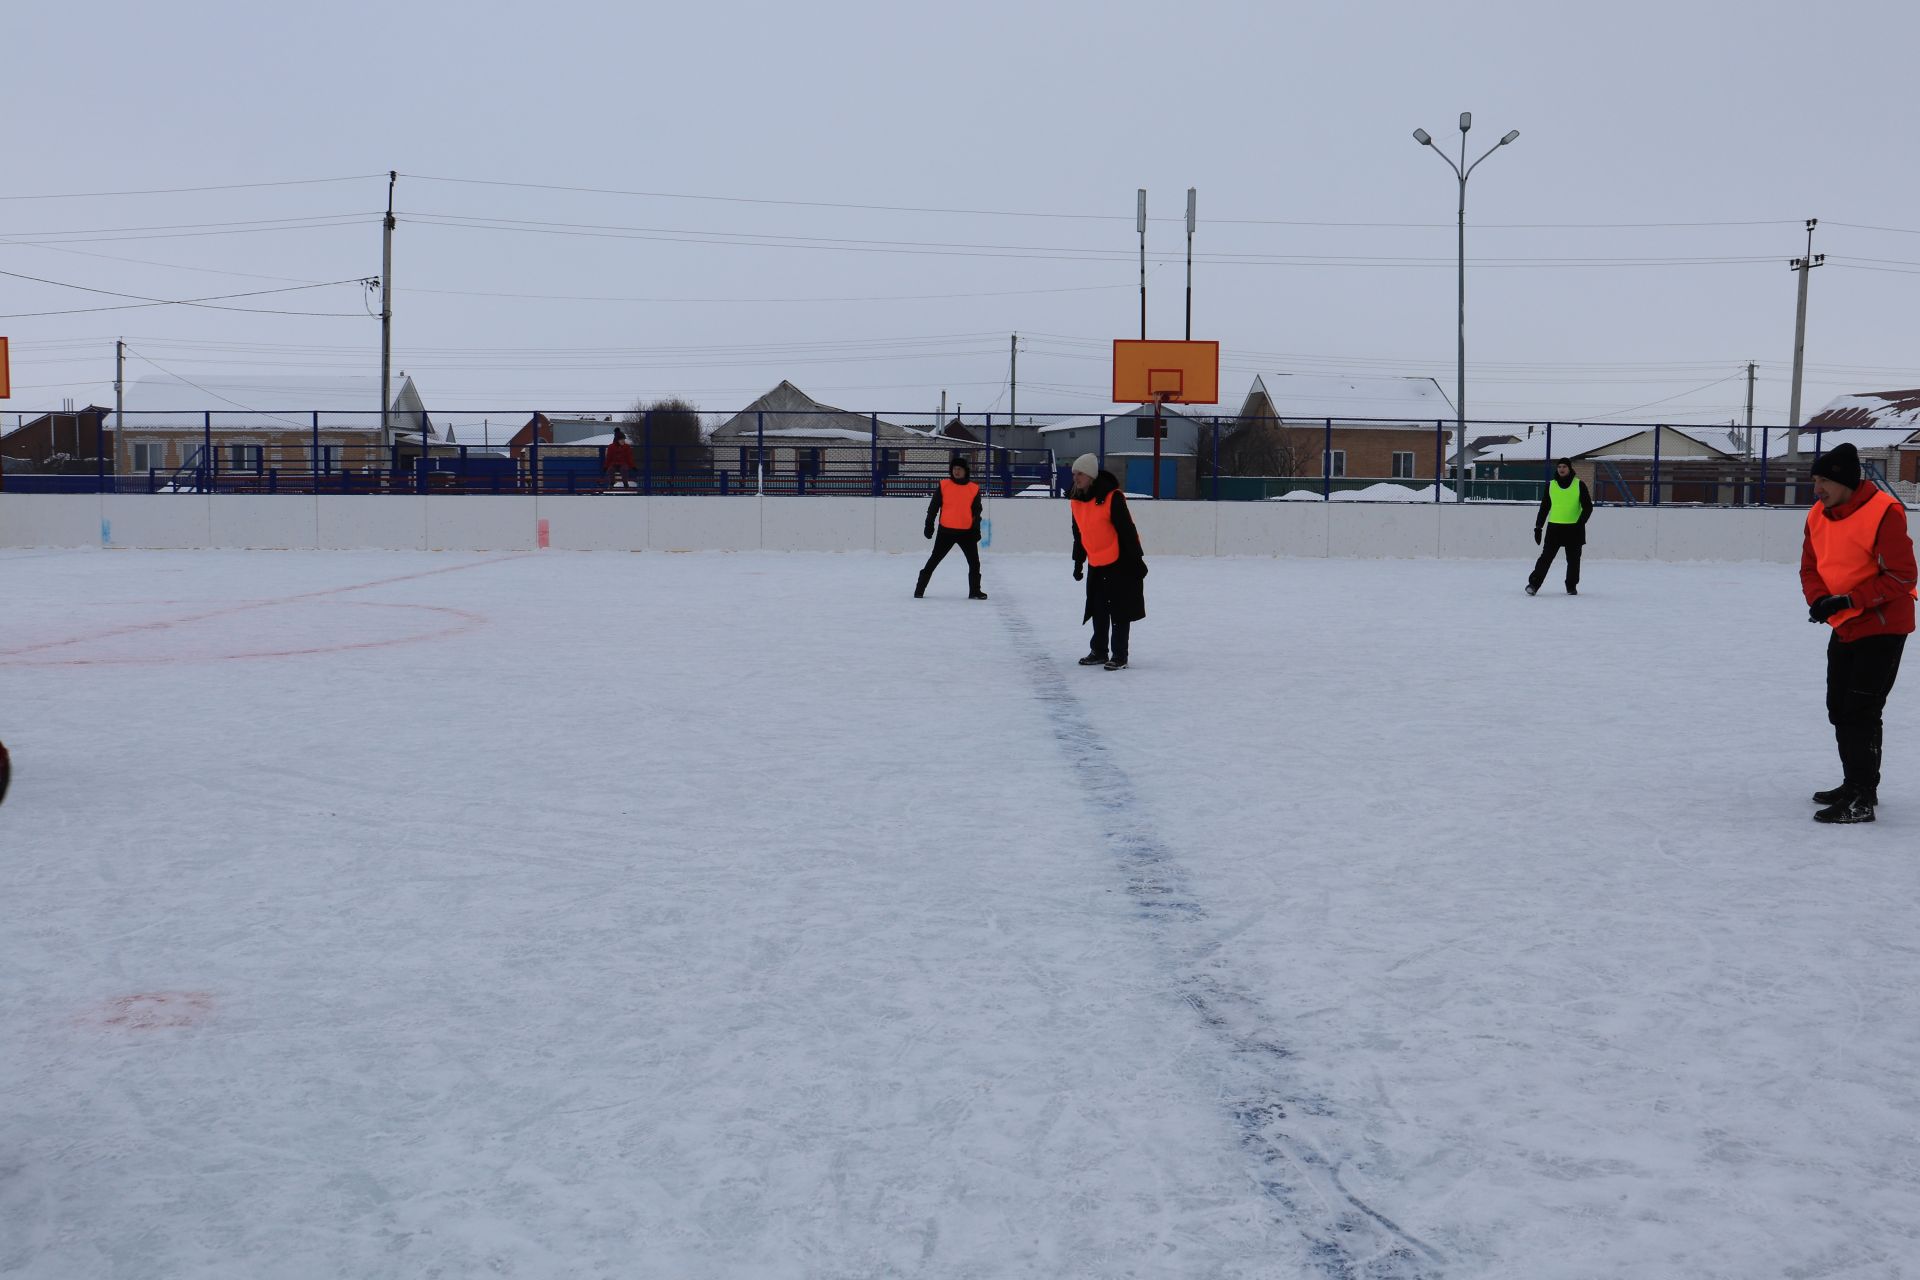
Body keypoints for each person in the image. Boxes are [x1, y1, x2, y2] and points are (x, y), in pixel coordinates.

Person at [1800, 442, 1917, 824]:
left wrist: (1847, 600)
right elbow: (1810, 567)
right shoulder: (1818, 514)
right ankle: (1856, 784)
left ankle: (1861, 798)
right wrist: (1820, 601)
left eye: (1824, 481)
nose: (1817, 489)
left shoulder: (1884, 512)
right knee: (1839, 708)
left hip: (1883, 626)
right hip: (1846, 624)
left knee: (1861, 711)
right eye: (1814, 480)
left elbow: (1902, 576)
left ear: (1845, 481)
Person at [1068, 454, 1147, 671]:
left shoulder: (1113, 498)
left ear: (1091, 475)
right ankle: (1099, 651)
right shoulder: (1076, 500)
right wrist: (1078, 562)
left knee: (1120, 610)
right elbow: (1079, 534)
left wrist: (1137, 560)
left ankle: (1119, 655)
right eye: (1074, 474)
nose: (1076, 478)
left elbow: (1127, 531)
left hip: (1119, 561)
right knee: (1098, 608)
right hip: (1096, 562)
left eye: (1080, 474)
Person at [916, 456, 987, 600]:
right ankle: (919, 590)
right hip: (946, 532)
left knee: (974, 563)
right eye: (954, 469)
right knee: (934, 560)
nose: (956, 471)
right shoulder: (944, 485)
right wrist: (929, 525)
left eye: (959, 469)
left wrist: (976, 530)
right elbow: (933, 508)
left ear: (965, 471)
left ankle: (975, 591)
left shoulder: (973, 488)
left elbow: (976, 512)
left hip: (966, 533)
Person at [1527, 458, 1594, 596]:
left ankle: (1571, 586)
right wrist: (1538, 527)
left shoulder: (1579, 485)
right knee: (1545, 559)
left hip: (1574, 529)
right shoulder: (1551, 485)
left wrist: (1580, 522)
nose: (1561, 469)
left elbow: (1588, 507)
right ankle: (1534, 584)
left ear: (1569, 468)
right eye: (1559, 467)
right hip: (1554, 529)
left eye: (1564, 466)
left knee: (1573, 561)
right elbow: (1544, 508)